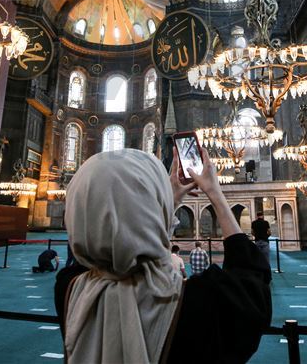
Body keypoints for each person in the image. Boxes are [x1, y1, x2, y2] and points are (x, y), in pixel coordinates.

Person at [54, 148, 272, 363]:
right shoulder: (198, 304)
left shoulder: (70, 291)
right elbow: (251, 280)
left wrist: (169, 201)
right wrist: (214, 193)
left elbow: (104, 236)